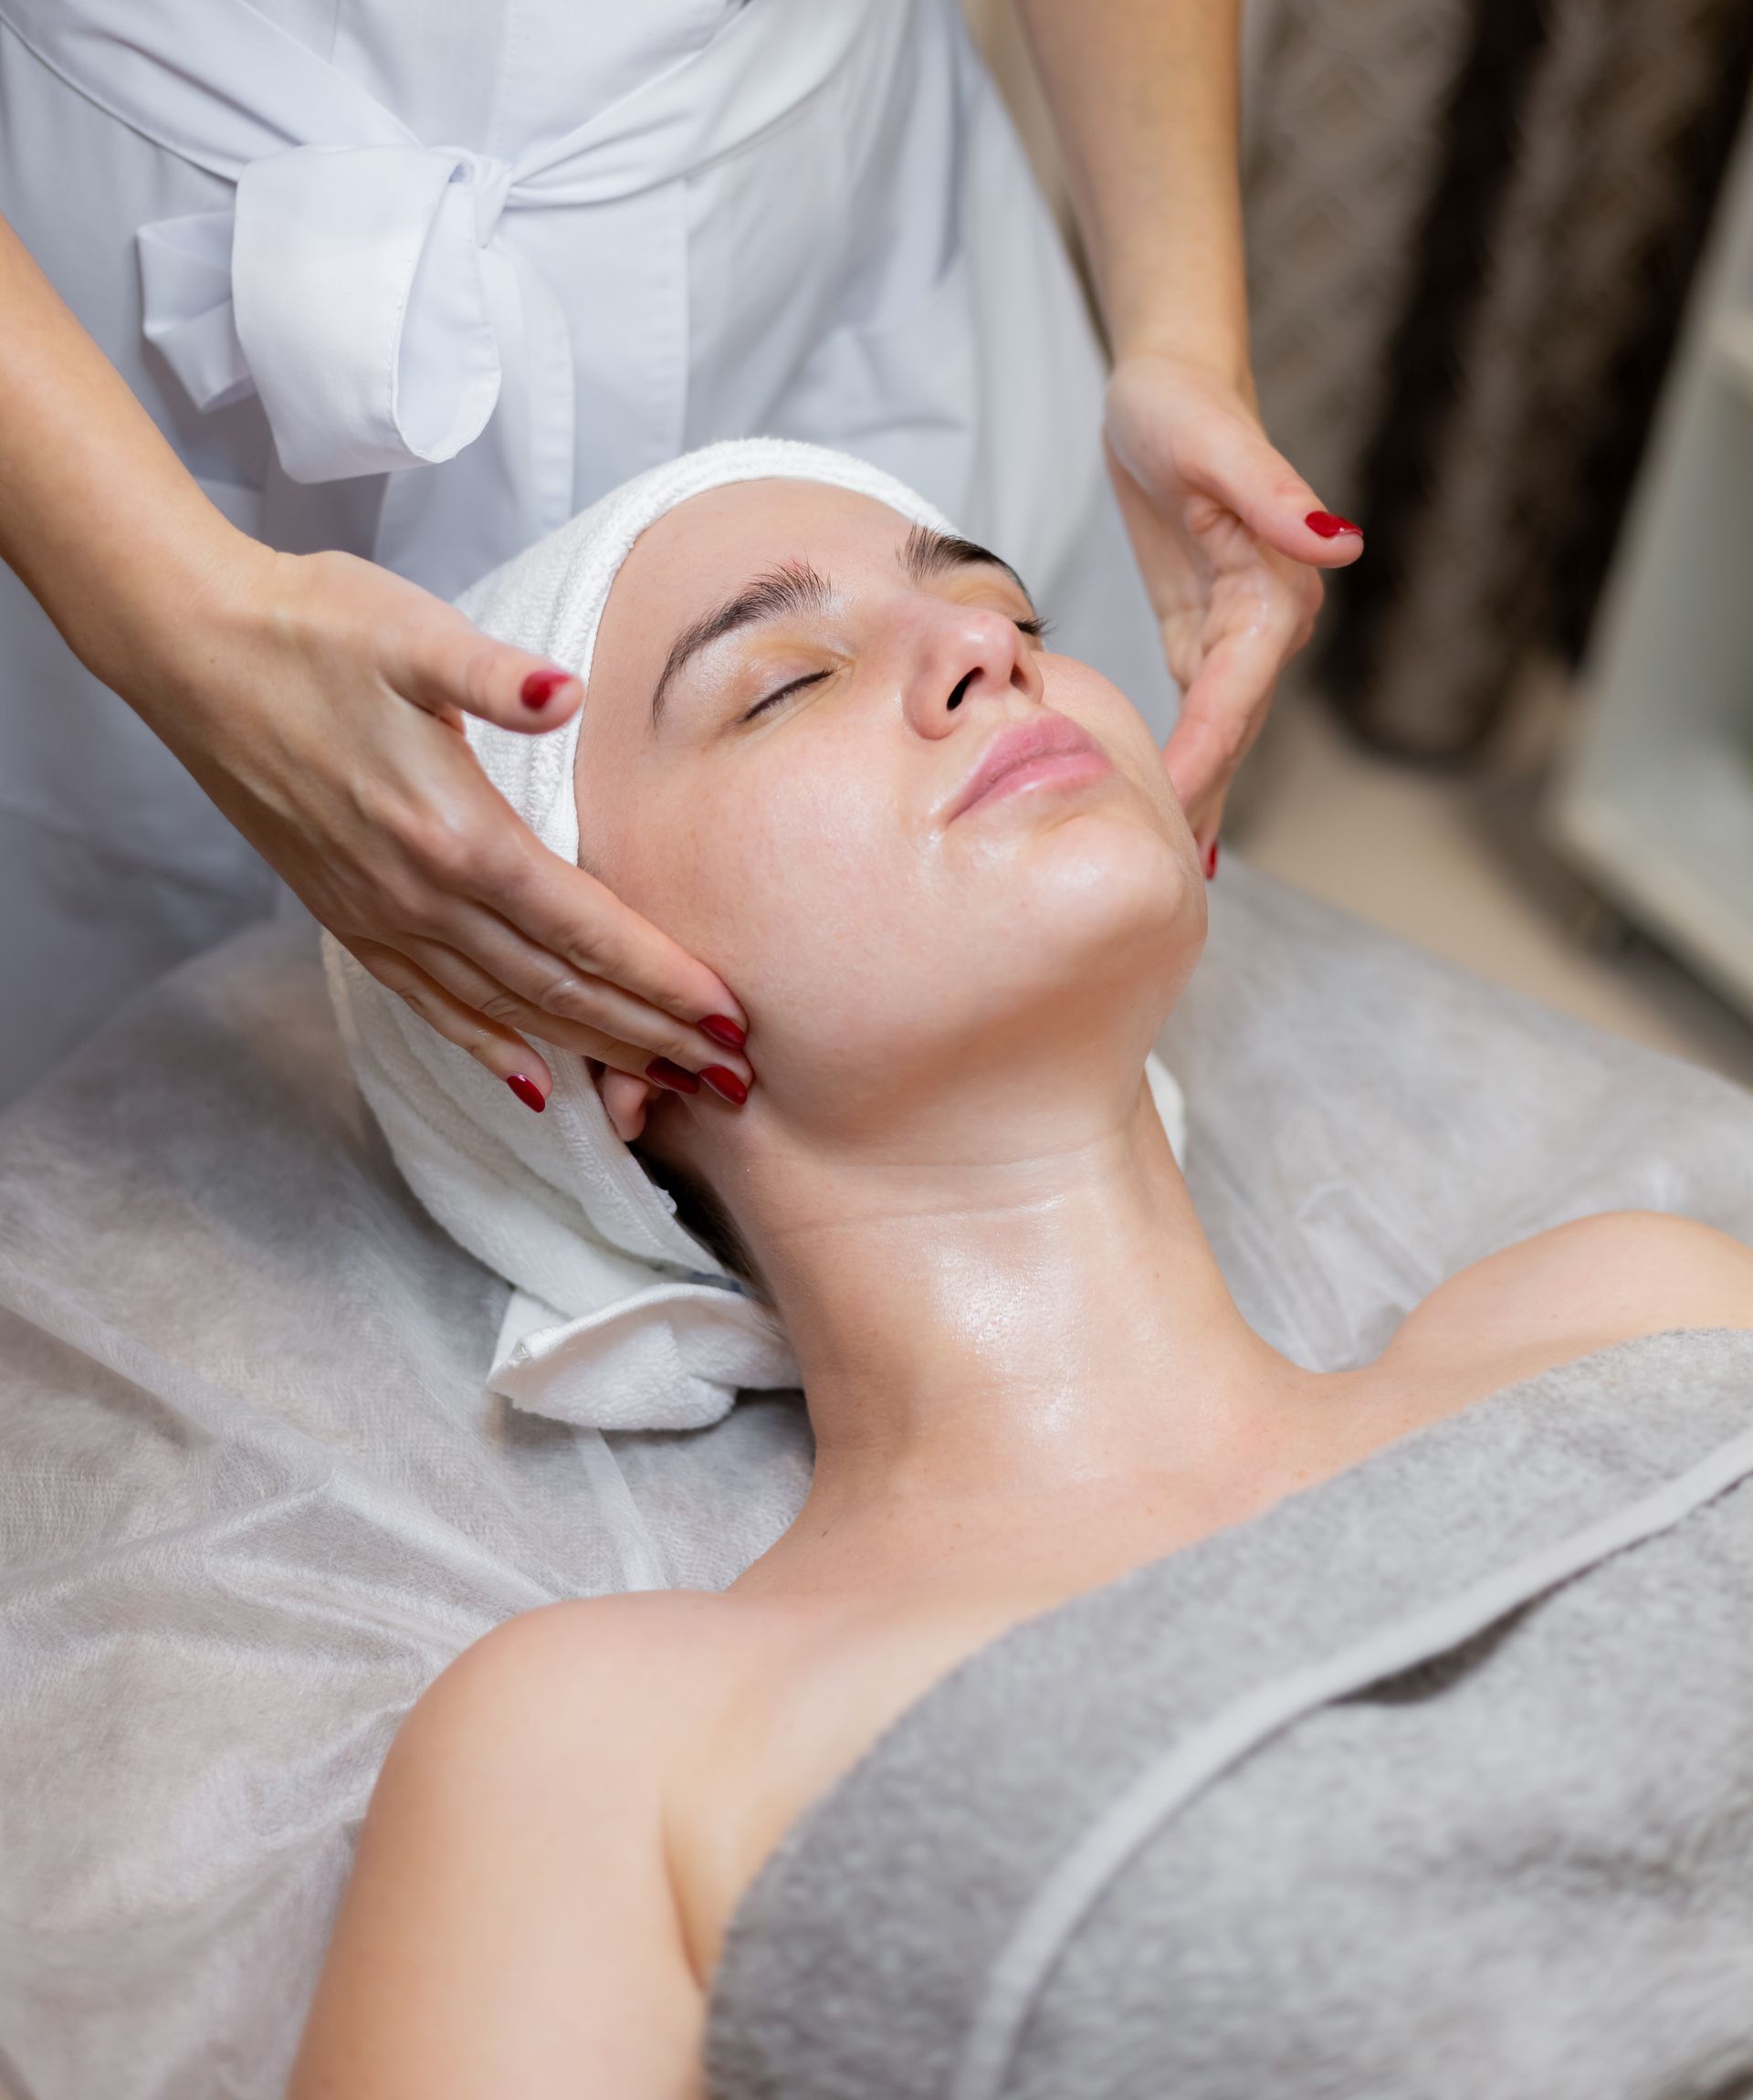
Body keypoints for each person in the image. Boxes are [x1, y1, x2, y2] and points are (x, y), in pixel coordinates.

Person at [289, 463, 1753, 2098]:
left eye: (1008, 613)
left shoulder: (1633, 1307)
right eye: (781, 686)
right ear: (591, 1030)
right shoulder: (608, 1749)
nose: (989, 658)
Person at [0, 0, 1364, 1109]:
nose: (986, 666)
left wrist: (1180, 334)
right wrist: (174, 621)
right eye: (784, 676)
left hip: (838, 248)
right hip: (112, 363)